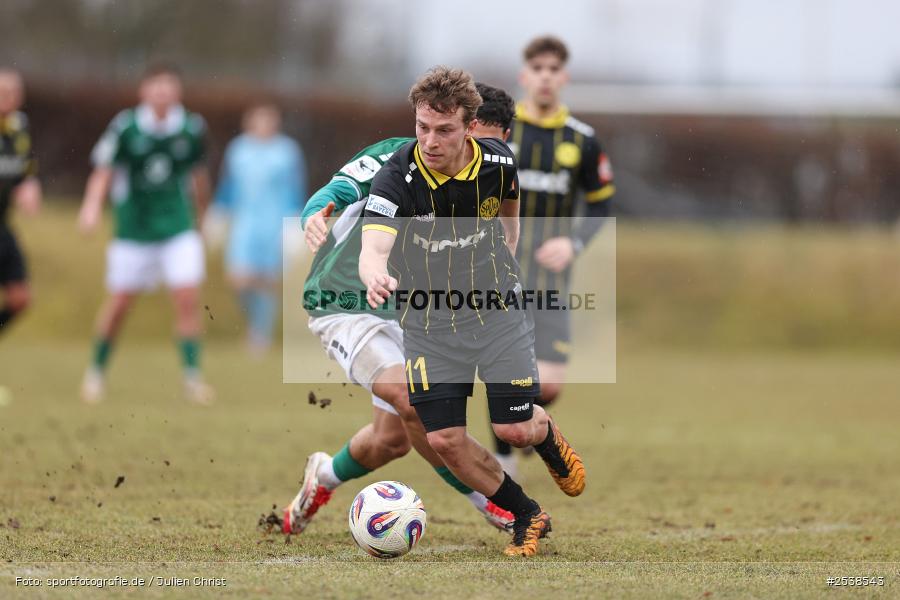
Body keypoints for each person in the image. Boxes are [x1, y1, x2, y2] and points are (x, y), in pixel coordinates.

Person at [360, 67, 585, 557]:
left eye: (444, 130)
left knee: (513, 429)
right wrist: (375, 271)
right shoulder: (397, 177)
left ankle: (542, 432)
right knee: (444, 439)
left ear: (469, 125)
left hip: (496, 311)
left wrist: (505, 252)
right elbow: (373, 246)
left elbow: (509, 213)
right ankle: (527, 513)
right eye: (422, 127)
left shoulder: (499, 159)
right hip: (428, 322)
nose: (430, 140)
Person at [282, 84, 519, 536]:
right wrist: (316, 214)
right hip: (346, 303)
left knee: (391, 441)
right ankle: (492, 500)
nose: (453, 149)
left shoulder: (486, 182)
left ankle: (323, 477)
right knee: (418, 403)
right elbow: (336, 190)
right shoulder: (395, 160)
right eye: (446, 135)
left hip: (411, 314)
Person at [492, 35, 617, 475]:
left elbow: (601, 203)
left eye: (553, 70)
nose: (545, 77)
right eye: (537, 69)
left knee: (549, 383)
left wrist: (573, 243)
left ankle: (529, 423)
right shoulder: (501, 133)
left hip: (551, 283)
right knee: (508, 368)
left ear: (563, 77)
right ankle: (504, 461)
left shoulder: (581, 139)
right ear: (525, 76)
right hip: (502, 274)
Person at [78, 63, 214, 405]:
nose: (163, 93)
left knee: (186, 298)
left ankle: (192, 378)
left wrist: (203, 216)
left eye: (169, 86)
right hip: (134, 229)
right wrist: (92, 206)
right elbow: (104, 171)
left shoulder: (191, 128)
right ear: (145, 91)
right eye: (157, 86)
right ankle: (95, 373)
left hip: (177, 227)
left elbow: (198, 176)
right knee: (121, 304)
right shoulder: (126, 127)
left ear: (177, 92)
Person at [213, 102, 306, 354]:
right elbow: (229, 184)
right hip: (245, 223)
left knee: (266, 280)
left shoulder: (287, 152)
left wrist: (295, 223)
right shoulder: (239, 150)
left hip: (274, 223)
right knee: (239, 279)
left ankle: (260, 334)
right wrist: (219, 212)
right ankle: (254, 323)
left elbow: (294, 188)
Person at [0, 68, 41, 336]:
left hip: (2, 226)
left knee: (20, 298)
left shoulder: (18, 127)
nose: (7, 97)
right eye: (2, 92)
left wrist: (28, 184)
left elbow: (22, 167)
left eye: (13, 93)